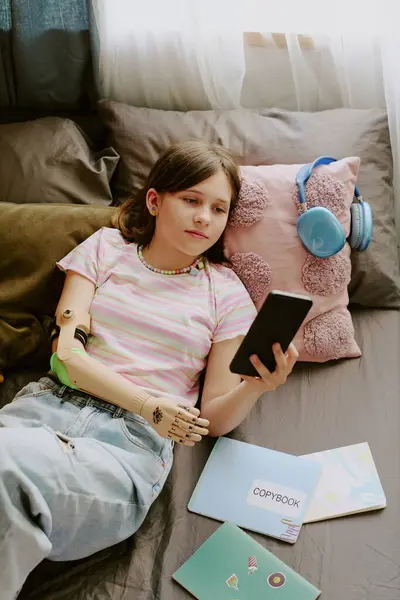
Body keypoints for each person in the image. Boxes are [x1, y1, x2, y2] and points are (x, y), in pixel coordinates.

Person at [0, 140, 298, 599]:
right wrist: (149, 402)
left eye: (219, 209)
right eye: (191, 200)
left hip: (124, 449)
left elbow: (213, 418)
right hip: (45, 413)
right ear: (156, 201)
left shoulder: (226, 292)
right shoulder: (105, 248)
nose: (205, 218)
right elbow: (67, 356)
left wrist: (255, 387)